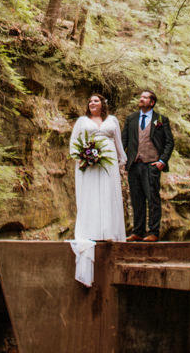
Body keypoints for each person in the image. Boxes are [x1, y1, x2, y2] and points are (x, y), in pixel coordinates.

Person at [69, 94, 126, 284]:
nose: (92, 103)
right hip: (89, 164)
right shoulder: (82, 121)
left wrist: (122, 162)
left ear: (103, 104)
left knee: (109, 195)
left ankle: (109, 231)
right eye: (90, 101)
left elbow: (118, 143)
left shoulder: (113, 121)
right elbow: (73, 144)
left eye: (96, 101)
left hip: (109, 163)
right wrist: (84, 156)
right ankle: (90, 230)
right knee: (91, 196)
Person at [122, 89, 174, 241]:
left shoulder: (161, 119)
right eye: (141, 97)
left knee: (152, 198)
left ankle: (153, 232)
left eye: (145, 97)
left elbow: (169, 142)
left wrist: (162, 161)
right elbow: (123, 141)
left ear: (152, 102)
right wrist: (123, 159)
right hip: (134, 165)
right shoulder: (131, 119)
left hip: (152, 164)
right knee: (136, 199)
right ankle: (138, 231)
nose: (141, 99)